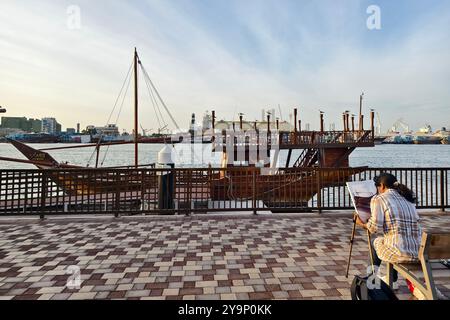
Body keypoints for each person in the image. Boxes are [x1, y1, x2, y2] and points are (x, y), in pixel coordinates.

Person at [356, 173, 422, 287]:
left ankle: (371, 280)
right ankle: (392, 278)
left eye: (377, 187)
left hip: (400, 253)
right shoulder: (407, 199)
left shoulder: (379, 199)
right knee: (392, 240)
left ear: (381, 186)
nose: (377, 190)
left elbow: (373, 228)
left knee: (375, 242)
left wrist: (361, 223)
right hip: (418, 252)